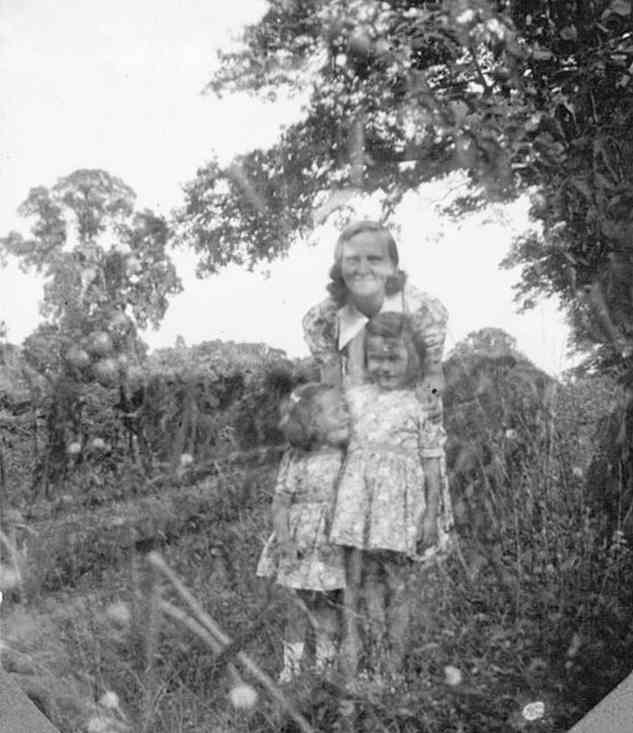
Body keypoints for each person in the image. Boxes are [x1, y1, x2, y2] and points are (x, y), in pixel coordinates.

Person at [302, 220, 453, 677]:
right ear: (339, 265)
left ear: (393, 265)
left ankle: (391, 663)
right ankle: (346, 652)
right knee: (353, 571)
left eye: (375, 258)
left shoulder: (423, 310)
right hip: (358, 451)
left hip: (404, 457)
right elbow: (331, 397)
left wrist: (417, 418)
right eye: (353, 259)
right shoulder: (324, 318)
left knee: (397, 572)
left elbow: (431, 383)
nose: (363, 267)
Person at [329, 312, 449, 680]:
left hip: (401, 510)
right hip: (359, 507)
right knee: (363, 584)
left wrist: (430, 516)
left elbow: (431, 462)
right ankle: (362, 656)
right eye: (376, 358)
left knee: (399, 586)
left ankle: (392, 666)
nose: (384, 366)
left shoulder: (422, 403)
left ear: (412, 359)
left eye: (394, 358)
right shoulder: (355, 396)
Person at [256, 382, 350, 682]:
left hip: (330, 542)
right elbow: (281, 502)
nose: (346, 414)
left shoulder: (345, 456)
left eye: (345, 408)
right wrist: (284, 540)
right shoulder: (295, 458)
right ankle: (292, 667)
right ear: (312, 422)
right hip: (300, 543)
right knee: (298, 606)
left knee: (327, 605)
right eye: (337, 410)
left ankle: (326, 664)